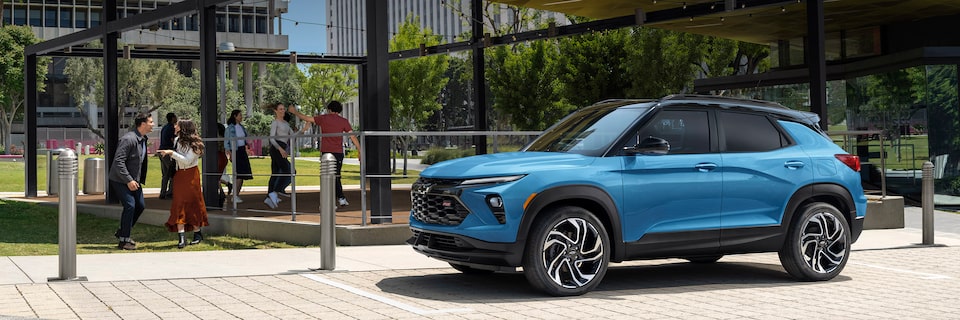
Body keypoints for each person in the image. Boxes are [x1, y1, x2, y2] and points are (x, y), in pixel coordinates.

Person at [288, 100, 361, 207]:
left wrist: (294, 112)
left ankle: (331, 200)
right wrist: (360, 150)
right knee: (336, 176)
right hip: (338, 152)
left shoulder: (323, 118)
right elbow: (353, 136)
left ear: (329, 109)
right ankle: (340, 198)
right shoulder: (343, 121)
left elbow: (307, 118)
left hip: (326, 152)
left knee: (327, 177)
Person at [156, 119, 209, 249]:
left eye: (177, 125)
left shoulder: (195, 144)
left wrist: (171, 153)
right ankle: (181, 237)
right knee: (178, 203)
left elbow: (187, 161)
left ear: (183, 128)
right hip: (180, 175)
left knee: (193, 203)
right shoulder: (177, 141)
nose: (175, 126)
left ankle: (197, 234)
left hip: (191, 176)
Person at [108, 113, 153, 250]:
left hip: (134, 180)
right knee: (130, 206)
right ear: (143, 124)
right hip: (120, 179)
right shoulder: (128, 139)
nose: (153, 124)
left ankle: (123, 231)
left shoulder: (142, 139)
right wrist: (128, 180)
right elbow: (118, 162)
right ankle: (123, 240)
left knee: (140, 206)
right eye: (151, 122)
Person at [264, 103, 310, 209]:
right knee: (289, 170)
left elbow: (292, 136)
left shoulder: (285, 123)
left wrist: (303, 130)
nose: (283, 111)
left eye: (283, 109)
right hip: (277, 148)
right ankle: (275, 191)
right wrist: (280, 150)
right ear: (275, 111)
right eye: (280, 109)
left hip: (281, 147)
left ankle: (270, 195)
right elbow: (271, 138)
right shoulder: (275, 123)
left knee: (275, 173)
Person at [225, 110, 253, 203]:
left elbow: (245, 139)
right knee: (238, 173)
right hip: (235, 151)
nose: (241, 117)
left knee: (243, 173)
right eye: (240, 115)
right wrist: (230, 153)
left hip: (242, 151)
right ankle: (235, 195)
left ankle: (236, 194)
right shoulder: (230, 128)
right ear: (235, 116)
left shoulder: (242, 127)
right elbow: (227, 141)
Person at [158, 112, 177, 199]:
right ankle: (170, 193)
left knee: (165, 174)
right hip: (168, 152)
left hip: (161, 151)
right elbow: (173, 140)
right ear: (172, 118)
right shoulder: (171, 128)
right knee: (172, 173)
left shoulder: (164, 127)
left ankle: (163, 192)